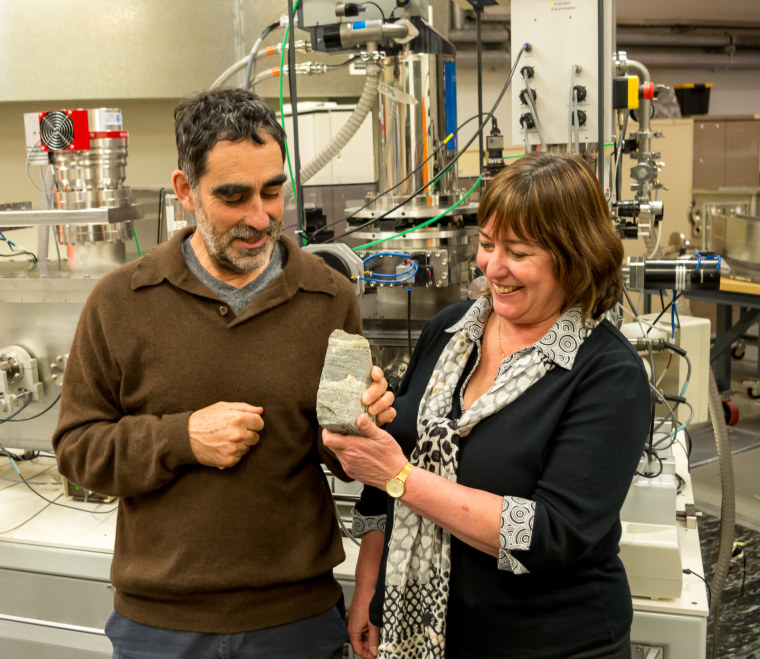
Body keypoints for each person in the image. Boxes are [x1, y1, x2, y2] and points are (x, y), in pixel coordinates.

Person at [52, 88, 395, 659]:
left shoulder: (326, 295)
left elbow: (339, 457)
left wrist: (361, 426)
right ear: (186, 190)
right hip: (161, 625)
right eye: (233, 196)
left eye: (272, 191)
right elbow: (77, 450)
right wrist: (179, 438)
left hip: (296, 621)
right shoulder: (121, 300)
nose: (260, 218)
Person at [323, 151, 652, 659]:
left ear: (575, 255)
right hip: (426, 634)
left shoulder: (608, 374)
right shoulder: (450, 331)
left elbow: (547, 534)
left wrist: (400, 476)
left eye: (517, 252)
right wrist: (369, 584)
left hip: (549, 642)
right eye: (486, 244)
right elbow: (388, 470)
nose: (492, 267)